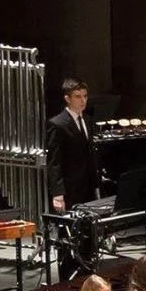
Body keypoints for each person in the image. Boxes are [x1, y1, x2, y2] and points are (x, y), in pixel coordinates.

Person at [46, 78, 99, 212]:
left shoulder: (87, 120)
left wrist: (96, 185)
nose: (83, 100)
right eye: (77, 96)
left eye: (85, 96)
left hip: (89, 187)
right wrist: (58, 194)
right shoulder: (57, 124)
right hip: (70, 189)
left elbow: (89, 154)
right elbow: (54, 162)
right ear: (67, 99)